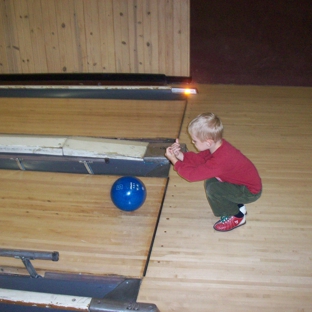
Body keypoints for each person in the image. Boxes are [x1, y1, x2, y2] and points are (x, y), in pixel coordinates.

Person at [165, 112, 262, 232]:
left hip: (249, 192)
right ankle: (237, 204)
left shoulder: (221, 160)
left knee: (213, 189)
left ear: (208, 142)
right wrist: (180, 155)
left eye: (194, 141)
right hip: (240, 185)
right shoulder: (217, 146)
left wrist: (174, 161)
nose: (192, 143)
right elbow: (200, 160)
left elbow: (192, 175)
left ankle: (237, 216)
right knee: (211, 181)